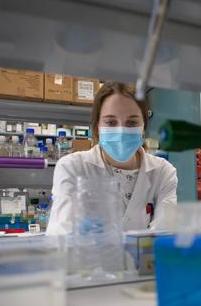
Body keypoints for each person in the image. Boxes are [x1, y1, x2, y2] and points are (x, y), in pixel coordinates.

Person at [47, 82, 177, 235]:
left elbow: (165, 232)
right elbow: (61, 234)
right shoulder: (72, 167)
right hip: (90, 258)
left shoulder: (163, 172)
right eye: (110, 122)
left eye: (132, 122)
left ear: (143, 127)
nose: (121, 130)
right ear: (97, 127)